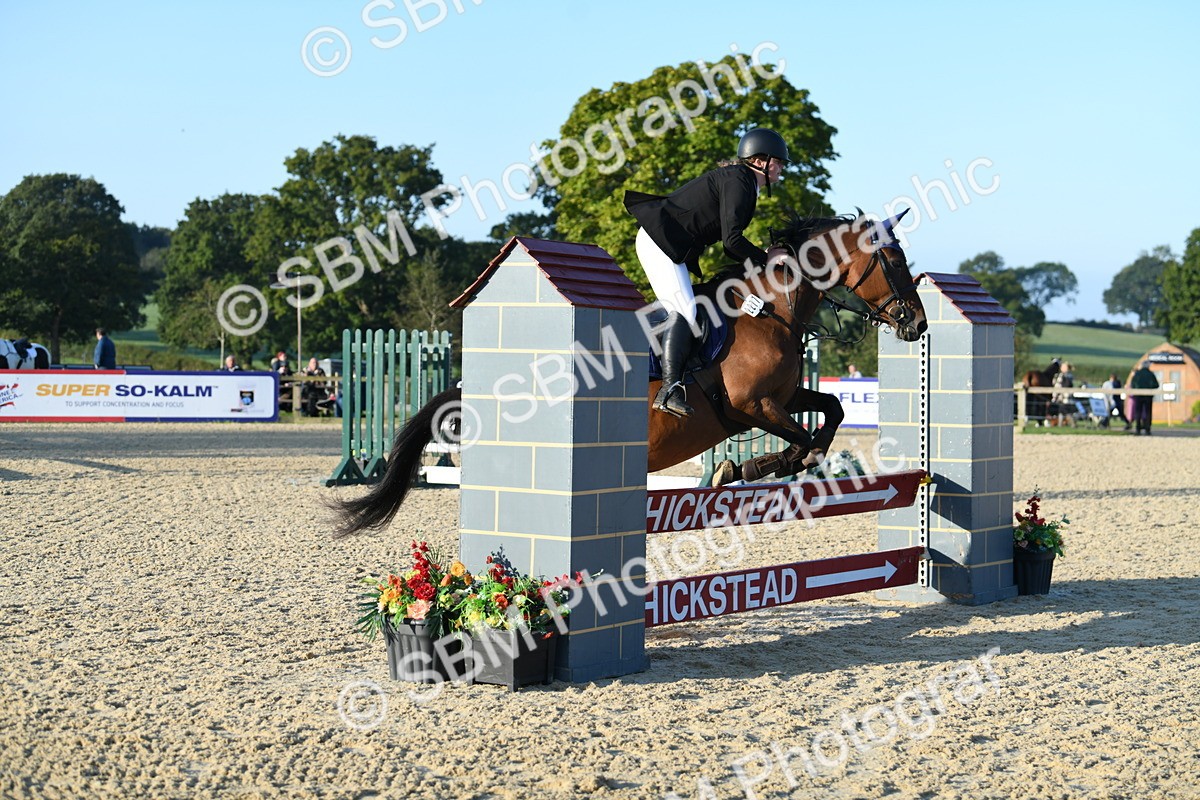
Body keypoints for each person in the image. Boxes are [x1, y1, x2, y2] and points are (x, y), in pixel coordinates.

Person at [624, 127, 790, 418]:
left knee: (686, 308)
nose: (782, 167)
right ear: (761, 161)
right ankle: (670, 389)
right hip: (658, 242)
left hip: (666, 244)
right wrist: (766, 258)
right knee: (686, 311)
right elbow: (733, 242)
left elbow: (732, 243)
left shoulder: (742, 182)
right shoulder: (740, 180)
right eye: (779, 161)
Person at [1129, 360, 1159, 435]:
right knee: (1148, 412)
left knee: (1138, 412)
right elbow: (1156, 385)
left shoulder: (1137, 374)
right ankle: (1147, 429)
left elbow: (1132, 384)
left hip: (1138, 395)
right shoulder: (1151, 374)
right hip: (1148, 396)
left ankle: (1138, 428)